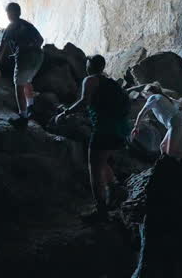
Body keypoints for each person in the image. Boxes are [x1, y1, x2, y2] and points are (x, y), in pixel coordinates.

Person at [54, 54, 130, 222]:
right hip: (120, 128)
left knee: (94, 168)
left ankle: (101, 210)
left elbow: (84, 101)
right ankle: (114, 189)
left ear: (90, 66)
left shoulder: (90, 80)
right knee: (102, 161)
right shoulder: (109, 82)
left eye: (87, 64)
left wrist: (65, 113)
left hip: (104, 129)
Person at [0, 2, 44, 126]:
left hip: (25, 56)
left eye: (8, 12)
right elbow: (41, 40)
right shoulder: (27, 24)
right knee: (27, 81)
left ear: (9, 14)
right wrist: (31, 47)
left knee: (18, 86)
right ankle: (31, 107)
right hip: (39, 56)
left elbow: (1, 47)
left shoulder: (11, 27)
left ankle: (23, 118)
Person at [132, 84, 182, 159]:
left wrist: (136, 127)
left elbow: (141, 113)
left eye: (145, 92)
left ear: (149, 92)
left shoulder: (153, 97)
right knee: (163, 146)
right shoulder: (165, 98)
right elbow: (181, 104)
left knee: (170, 152)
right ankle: (167, 163)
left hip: (174, 123)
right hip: (177, 121)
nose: (144, 95)